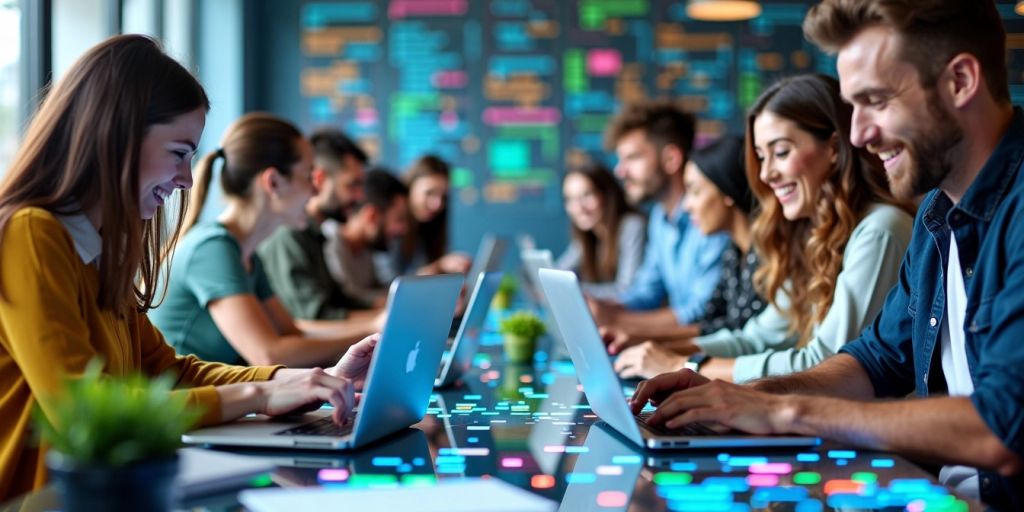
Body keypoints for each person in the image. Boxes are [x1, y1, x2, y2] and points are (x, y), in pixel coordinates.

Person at [631, 1, 1024, 508]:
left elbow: (1001, 427)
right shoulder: (935, 217)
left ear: (960, 81)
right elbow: (874, 362)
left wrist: (787, 414)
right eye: (851, 106)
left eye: (876, 100)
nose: (857, 133)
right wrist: (747, 396)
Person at [0, 35, 374, 500]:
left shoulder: (97, 253)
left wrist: (298, 382)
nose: (187, 181)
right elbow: (83, 410)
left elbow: (170, 373)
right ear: (116, 136)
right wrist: (258, 396)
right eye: (178, 153)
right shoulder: (31, 234)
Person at [615, 74, 914, 382]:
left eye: (781, 152)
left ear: (834, 148)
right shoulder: (813, 237)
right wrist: (661, 353)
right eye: (761, 157)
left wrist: (685, 366)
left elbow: (826, 363)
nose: (767, 174)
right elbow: (755, 339)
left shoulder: (880, 230)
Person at [150, 113, 375, 367]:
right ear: (273, 182)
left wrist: (373, 331)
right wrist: (370, 335)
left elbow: (292, 333)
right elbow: (269, 354)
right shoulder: (212, 249)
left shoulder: (247, 255)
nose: (315, 191)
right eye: (308, 175)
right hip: (183, 404)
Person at [606, 134, 766, 357]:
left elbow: (744, 340)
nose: (688, 205)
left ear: (726, 192)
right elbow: (711, 325)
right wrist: (639, 340)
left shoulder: (768, 257)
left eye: (696, 191)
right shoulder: (733, 252)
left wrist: (667, 356)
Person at [590, 102, 730, 332]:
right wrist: (605, 306)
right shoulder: (659, 217)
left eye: (632, 158)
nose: (620, 171)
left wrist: (615, 320)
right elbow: (647, 291)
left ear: (671, 159)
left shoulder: (712, 219)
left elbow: (702, 313)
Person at [258, 128, 378, 321]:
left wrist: (383, 306)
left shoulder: (317, 235)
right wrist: (378, 321)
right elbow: (315, 315)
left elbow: (339, 301)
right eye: (352, 185)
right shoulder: (288, 235)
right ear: (319, 180)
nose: (360, 196)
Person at [556, 161, 646, 300]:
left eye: (587, 195)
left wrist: (575, 290)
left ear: (607, 194)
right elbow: (560, 271)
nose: (579, 207)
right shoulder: (588, 235)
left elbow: (627, 290)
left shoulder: (632, 226)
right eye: (570, 199)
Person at [323, 169, 410, 306]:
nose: (403, 229)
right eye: (398, 219)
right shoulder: (329, 244)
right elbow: (350, 298)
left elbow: (375, 290)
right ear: (372, 216)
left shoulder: (366, 248)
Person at [378, 155, 469, 281]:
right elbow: (391, 285)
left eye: (443, 197)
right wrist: (439, 267)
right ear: (410, 187)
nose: (437, 204)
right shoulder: (392, 227)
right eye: (430, 193)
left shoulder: (428, 227)